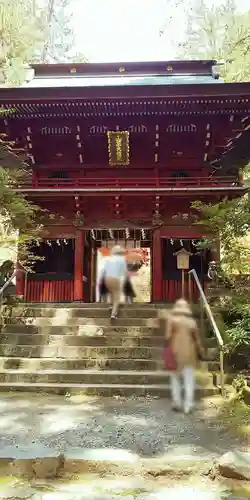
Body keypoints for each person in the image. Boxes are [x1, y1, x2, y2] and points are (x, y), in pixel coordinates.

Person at [167, 299, 204, 414]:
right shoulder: (192, 322)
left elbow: (168, 337)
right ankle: (188, 405)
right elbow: (197, 340)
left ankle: (177, 402)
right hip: (190, 352)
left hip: (175, 351)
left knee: (175, 378)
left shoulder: (172, 320)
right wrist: (200, 350)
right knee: (189, 379)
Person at [98, 245, 127, 319]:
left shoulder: (108, 259)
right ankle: (113, 314)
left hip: (107, 278)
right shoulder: (121, 259)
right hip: (115, 278)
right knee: (117, 296)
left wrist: (101, 280)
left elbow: (104, 270)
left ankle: (111, 305)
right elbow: (124, 272)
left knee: (111, 293)